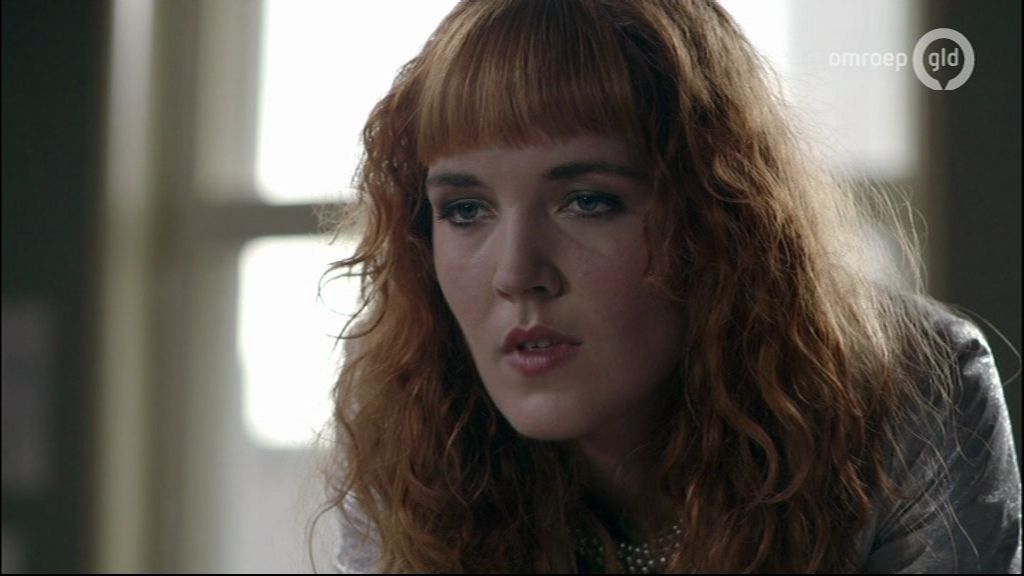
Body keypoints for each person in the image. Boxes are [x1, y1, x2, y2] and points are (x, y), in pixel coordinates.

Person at [318, 0, 1021, 572]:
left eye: (587, 201)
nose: (515, 274)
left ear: (718, 217)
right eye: (466, 210)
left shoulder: (910, 393)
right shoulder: (407, 413)